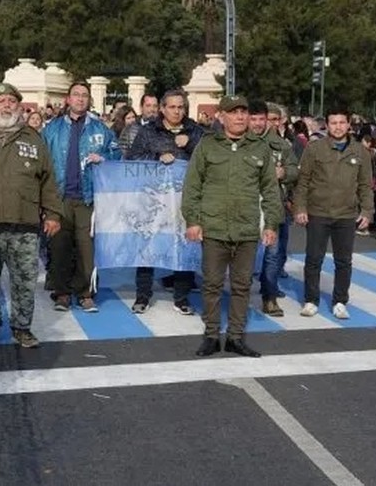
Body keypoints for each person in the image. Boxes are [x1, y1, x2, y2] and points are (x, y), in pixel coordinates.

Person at [182, 95, 282, 358]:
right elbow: (192, 187)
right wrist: (192, 220)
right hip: (214, 228)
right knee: (212, 284)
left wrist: (271, 224)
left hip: (247, 230)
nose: (239, 117)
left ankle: (236, 337)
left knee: (242, 285)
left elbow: (270, 190)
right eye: (233, 112)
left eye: (243, 112)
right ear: (221, 116)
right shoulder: (207, 146)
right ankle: (212, 335)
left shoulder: (259, 149)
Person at [0, 83, 62, 348]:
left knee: (24, 280)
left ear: (19, 106)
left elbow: (48, 180)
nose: (6, 106)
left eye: (11, 101)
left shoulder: (33, 138)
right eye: (0, 101)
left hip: (25, 224)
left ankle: (22, 327)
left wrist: (53, 214)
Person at [42, 82, 120, 313]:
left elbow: (117, 154)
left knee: (87, 249)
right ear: (68, 99)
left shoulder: (101, 130)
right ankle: (62, 293)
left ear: (89, 100)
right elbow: (43, 165)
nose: (80, 99)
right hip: (59, 198)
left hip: (88, 198)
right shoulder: (51, 129)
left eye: (85, 95)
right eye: (76, 95)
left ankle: (86, 293)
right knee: (59, 247)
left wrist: (104, 156)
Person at [126, 89, 204, 315]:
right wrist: (157, 158)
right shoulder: (148, 131)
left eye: (181, 107)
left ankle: (181, 297)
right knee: (146, 248)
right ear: (162, 109)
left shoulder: (196, 132)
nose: (177, 111)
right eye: (172, 107)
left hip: (185, 201)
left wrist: (189, 145)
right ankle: (142, 296)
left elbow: (208, 162)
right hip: (153, 200)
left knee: (184, 247)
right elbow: (132, 161)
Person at [293, 105, 375, 320]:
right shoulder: (314, 149)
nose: (338, 127)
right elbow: (303, 182)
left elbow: (366, 185)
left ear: (349, 124)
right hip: (318, 212)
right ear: (326, 125)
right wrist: (300, 208)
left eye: (341, 123)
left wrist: (367, 211)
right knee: (313, 259)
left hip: (346, 215)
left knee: (343, 261)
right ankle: (311, 300)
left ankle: (340, 301)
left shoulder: (360, 151)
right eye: (333, 123)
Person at [252, 101, 299, 317]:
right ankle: (238, 296)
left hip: (272, 204)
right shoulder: (240, 141)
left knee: (272, 253)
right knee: (241, 253)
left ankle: (269, 297)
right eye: (257, 118)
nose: (260, 123)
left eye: (265, 119)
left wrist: (284, 174)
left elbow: (294, 170)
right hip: (246, 205)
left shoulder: (282, 146)